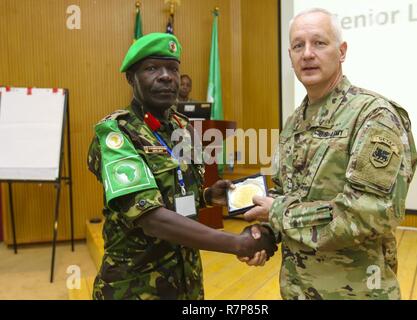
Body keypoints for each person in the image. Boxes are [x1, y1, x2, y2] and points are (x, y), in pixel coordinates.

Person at [241, 8, 417, 300]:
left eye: (319, 43)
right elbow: (286, 193)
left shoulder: (373, 116)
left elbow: (367, 214)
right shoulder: (294, 122)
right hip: (297, 289)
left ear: (342, 51)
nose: (307, 54)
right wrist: (266, 234)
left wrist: (277, 212)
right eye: (298, 46)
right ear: (290, 56)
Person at [87, 32, 277, 300]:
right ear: (131, 78)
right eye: (152, 68)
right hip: (136, 286)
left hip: (186, 280)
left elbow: (177, 195)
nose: (166, 76)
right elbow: (150, 217)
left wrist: (208, 196)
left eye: (173, 69)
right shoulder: (116, 135)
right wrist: (237, 243)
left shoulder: (183, 128)